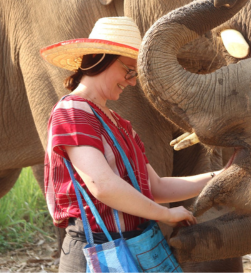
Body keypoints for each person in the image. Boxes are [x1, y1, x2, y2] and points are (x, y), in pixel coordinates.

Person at [40, 17, 220, 272]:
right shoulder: (72, 111)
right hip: (97, 250)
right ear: (103, 58)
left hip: (135, 245)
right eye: (129, 71)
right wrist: (165, 215)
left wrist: (221, 177)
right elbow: (102, 186)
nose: (133, 81)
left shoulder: (119, 123)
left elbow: (155, 186)